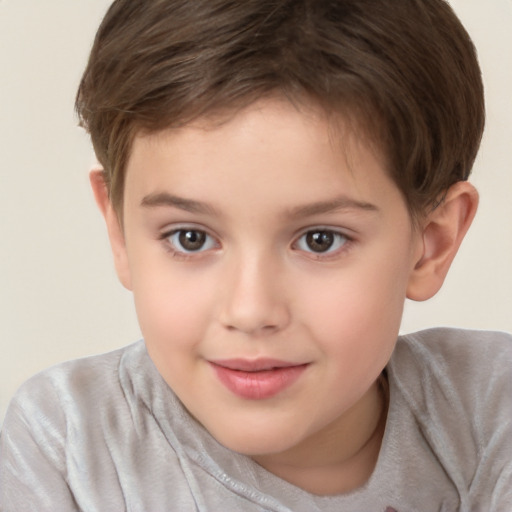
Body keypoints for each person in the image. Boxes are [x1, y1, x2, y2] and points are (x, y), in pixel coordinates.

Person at [1, 0, 511, 510]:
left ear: (431, 244)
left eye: (320, 240)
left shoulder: (491, 414)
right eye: (190, 238)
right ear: (119, 229)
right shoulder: (68, 446)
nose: (250, 311)